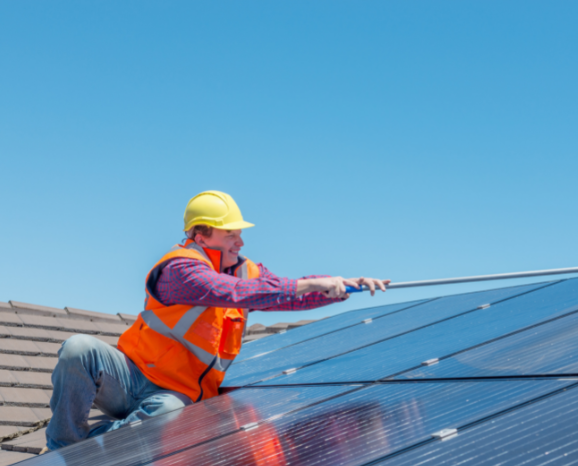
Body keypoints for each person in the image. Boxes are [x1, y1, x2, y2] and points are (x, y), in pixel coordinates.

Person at [45, 191, 389, 451]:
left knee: (162, 419)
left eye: (239, 234)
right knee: (78, 348)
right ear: (201, 235)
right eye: (230, 235)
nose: (240, 241)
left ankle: (87, 449)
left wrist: (344, 286)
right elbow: (233, 292)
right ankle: (63, 445)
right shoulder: (180, 268)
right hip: (129, 374)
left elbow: (284, 294)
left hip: (174, 394)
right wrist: (311, 283)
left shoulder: (248, 273)